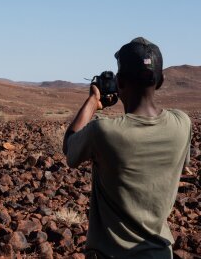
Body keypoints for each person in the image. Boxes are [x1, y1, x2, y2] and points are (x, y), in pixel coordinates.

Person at [62, 37, 192, 259]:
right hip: (161, 253)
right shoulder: (182, 123)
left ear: (120, 82)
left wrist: (93, 101)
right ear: (161, 81)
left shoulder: (104, 131)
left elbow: (70, 148)